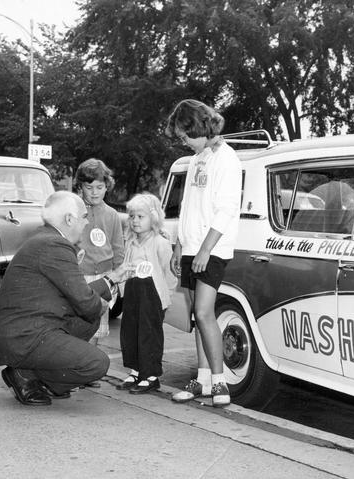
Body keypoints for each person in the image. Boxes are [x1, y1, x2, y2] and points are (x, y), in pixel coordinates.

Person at [0, 191, 125, 406]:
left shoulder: (45, 237)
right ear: (69, 219)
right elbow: (86, 302)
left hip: (29, 327)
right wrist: (100, 304)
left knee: (87, 321)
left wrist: (111, 279)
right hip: (26, 335)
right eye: (83, 217)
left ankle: (35, 375)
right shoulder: (55, 245)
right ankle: (27, 376)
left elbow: (76, 293)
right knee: (97, 363)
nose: (86, 223)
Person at [165, 99, 242, 407]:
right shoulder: (197, 158)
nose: (183, 142)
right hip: (193, 247)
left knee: (205, 312)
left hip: (212, 250)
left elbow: (226, 210)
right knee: (197, 316)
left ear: (199, 127)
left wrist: (205, 250)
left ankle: (220, 382)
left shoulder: (227, 159)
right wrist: (180, 245)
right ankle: (203, 380)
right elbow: (188, 209)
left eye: (185, 135)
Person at [116, 194, 177, 394]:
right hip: (134, 292)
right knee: (131, 332)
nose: (134, 221)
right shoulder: (131, 242)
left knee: (149, 334)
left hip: (152, 294)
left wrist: (165, 296)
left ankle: (150, 375)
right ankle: (136, 370)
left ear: (154, 218)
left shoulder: (160, 243)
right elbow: (126, 267)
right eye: (132, 216)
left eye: (140, 216)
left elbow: (168, 271)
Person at [74, 158, 124, 355]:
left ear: (107, 187)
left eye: (99, 187)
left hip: (105, 278)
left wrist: (120, 282)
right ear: (81, 187)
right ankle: (74, 370)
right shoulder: (75, 211)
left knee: (97, 327)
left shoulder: (112, 215)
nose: (94, 192)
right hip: (79, 276)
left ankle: (87, 368)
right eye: (89, 187)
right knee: (77, 325)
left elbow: (118, 249)